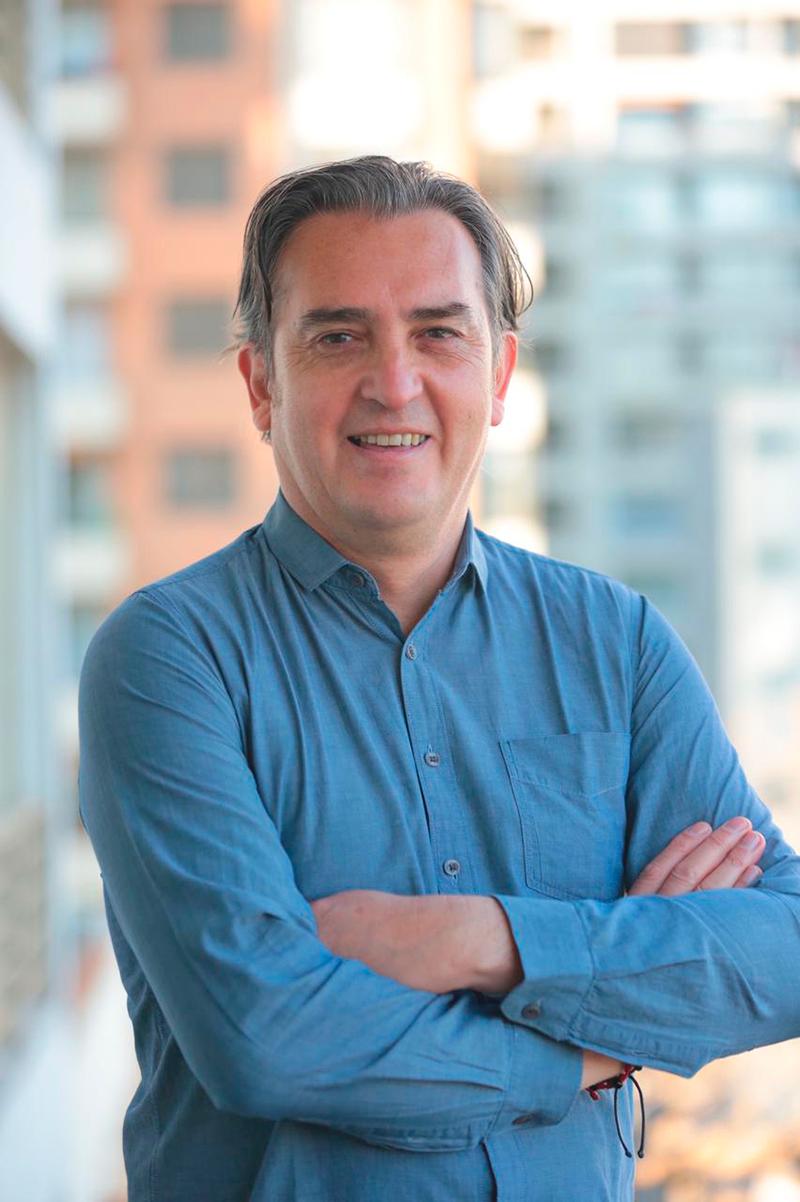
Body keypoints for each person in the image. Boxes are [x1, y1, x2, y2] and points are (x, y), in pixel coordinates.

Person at [79, 156, 800, 1202]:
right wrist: (597, 1040)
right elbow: (266, 1037)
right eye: (338, 337)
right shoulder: (166, 659)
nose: (394, 382)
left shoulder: (616, 641)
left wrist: (480, 939)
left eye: (437, 333)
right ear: (260, 384)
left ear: (499, 376)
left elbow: (782, 947)